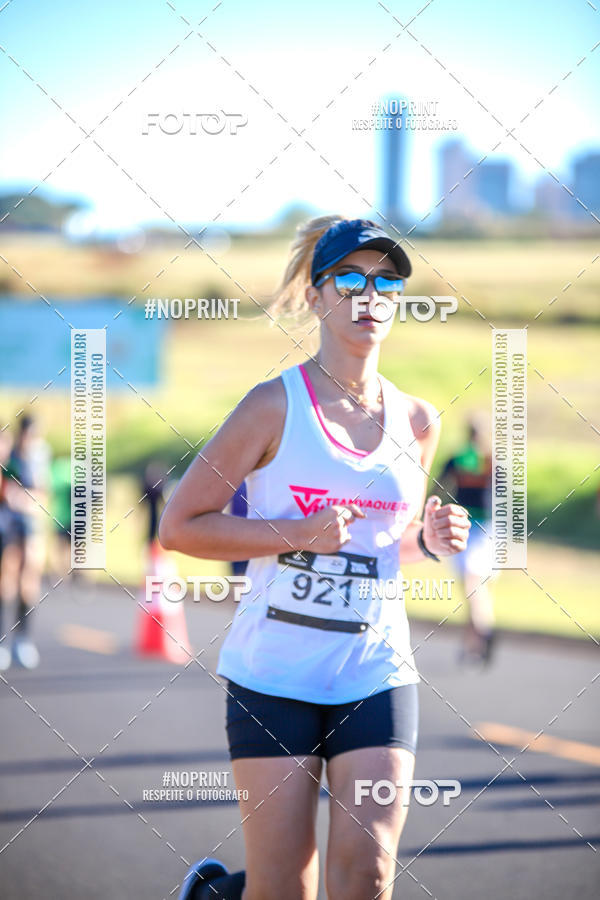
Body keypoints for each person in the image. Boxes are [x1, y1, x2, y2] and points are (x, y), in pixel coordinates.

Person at [159, 216, 470, 900]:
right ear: (316, 293)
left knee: (368, 875)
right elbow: (180, 526)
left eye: (387, 282)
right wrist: (294, 532)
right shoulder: (271, 406)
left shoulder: (418, 420)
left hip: (375, 669)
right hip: (274, 673)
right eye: (351, 279)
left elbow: (386, 545)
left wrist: (432, 540)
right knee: (284, 888)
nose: (371, 296)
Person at [440, 414, 496, 664]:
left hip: (467, 525)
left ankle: (484, 633)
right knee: (477, 588)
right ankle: (473, 645)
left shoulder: (459, 457)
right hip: (491, 527)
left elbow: (438, 486)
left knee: (471, 585)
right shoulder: (493, 459)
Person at [0, 416, 48, 669]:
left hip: (30, 527)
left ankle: (23, 639)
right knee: (6, 582)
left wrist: (24, 499)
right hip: (7, 526)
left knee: (29, 581)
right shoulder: (10, 460)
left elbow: (42, 495)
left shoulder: (38, 459)